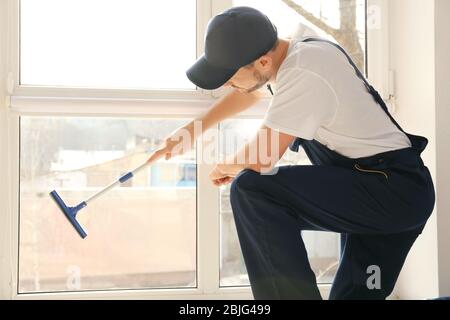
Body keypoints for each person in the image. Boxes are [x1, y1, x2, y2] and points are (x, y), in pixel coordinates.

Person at [148, 6, 435, 300]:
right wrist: (192, 130)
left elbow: (261, 157)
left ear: (262, 61)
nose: (228, 85)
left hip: (390, 191)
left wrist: (225, 166)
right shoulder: (292, 52)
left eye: (230, 78)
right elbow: (251, 90)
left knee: (252, 191)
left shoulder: (305, 69)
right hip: (381, 194)